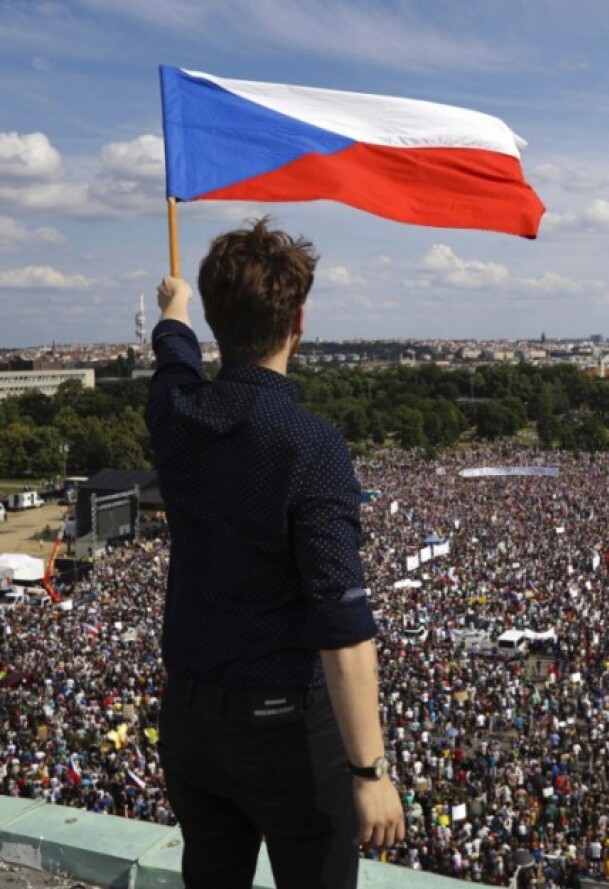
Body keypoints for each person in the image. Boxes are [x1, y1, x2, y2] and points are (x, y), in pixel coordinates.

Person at [147, 218, 403, 888]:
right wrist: (370, 769)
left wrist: (172, 309)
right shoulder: (311, 444)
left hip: (192, 722)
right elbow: (341, 620)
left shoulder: (176, 411)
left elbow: (173, 354)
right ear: (299, 320)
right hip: (287, 731)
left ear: (215, 319)